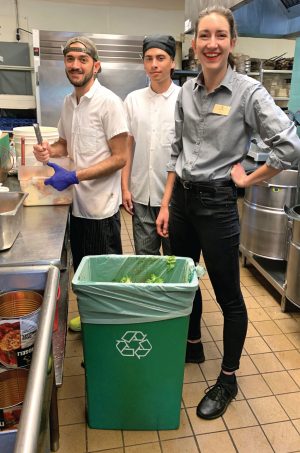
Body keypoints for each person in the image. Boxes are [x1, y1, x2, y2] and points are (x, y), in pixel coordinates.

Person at [156, 6, 300, 420]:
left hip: (218, 205)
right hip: (182, 202)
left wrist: (250, 179)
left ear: (232, 43)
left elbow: (290, 146)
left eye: (220, 35)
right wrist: (166, 204)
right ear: (195, 43)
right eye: (204, 35)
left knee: (229, 297)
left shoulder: (249, 92)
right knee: (185, 281)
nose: (212, 43)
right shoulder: (186, 90)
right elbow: (176, 150)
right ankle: (192, 344)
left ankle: (229, 378)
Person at [33, 36, 129, 332]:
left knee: (104, 278)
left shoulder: (109, 103)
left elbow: (120, 158)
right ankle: (89, 317)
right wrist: (49, 150)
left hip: (100, 208)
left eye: (82, 60)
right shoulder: (68, 102)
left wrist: (74, 176)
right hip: (77, 205)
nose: (75, 65)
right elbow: (65, 144)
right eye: (70, 59)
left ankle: (107, 332)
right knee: (83, 271)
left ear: (95, 66)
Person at [121, 35, 180, 255]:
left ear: (172, 62)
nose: (154, 64)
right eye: (148, 58)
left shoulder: (184, 100)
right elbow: (127, 145)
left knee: (176, 261)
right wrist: (125, 187)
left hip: (175, 200)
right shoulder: (133, 100)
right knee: (145, 262)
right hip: (141, 195)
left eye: (161, 58)